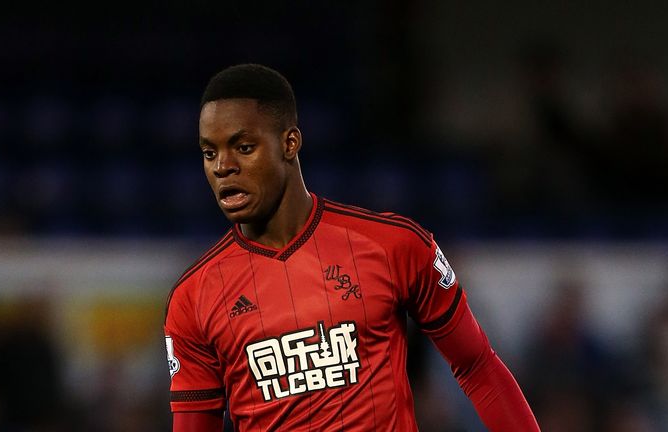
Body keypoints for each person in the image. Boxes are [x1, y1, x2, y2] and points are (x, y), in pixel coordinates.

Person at [164, 64, 539, 431]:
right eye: (209, 153)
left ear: (289, 142)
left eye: (243, 147)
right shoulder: (193, 297)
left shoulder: (393, 246)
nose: (222, 167)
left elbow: (477, 367)